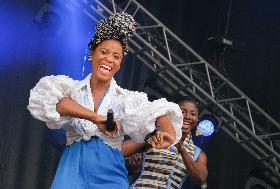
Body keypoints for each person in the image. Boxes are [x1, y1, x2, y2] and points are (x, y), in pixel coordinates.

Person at [27, 12, 183, 189]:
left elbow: (157, 113)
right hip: (71, 171)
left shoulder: (125, 98)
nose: (109, 59)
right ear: (92, 53)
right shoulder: (71, 89)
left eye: (116, 56)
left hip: (109, 173)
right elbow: (56, 103)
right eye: (104, 52)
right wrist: (97, 118)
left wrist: (166, 131)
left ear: (120, 64)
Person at [124, 96, 208, 188]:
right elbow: (120, 151)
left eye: (193, 114)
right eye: (183, 112)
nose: (188, 117)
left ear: (197, 120)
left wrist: (181, 149)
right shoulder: (155, 134)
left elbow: (201, 180)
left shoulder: (198, 154)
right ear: (173, 113)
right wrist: (133, 166)